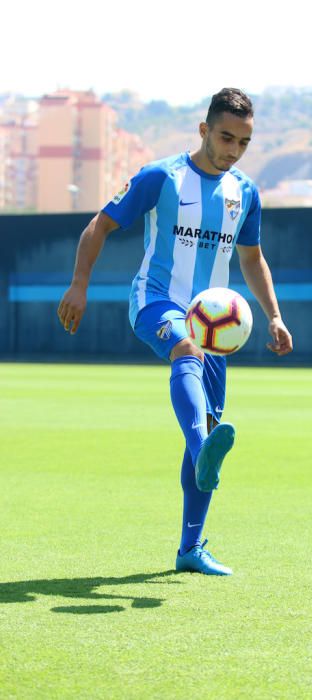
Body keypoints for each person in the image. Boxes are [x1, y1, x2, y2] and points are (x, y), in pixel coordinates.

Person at [57, 88, 293, 576]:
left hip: (215, 326)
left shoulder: (244, 193)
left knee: (207, 424)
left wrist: (273, 314)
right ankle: (201, 443)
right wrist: (79, 284)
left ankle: (190, 548)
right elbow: (98, 226)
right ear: (204, 130)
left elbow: (252, 258)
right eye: (226, 137)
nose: (233, 149)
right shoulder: (161, 177)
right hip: (156, 302)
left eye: (244, 142)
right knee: (187, 359)